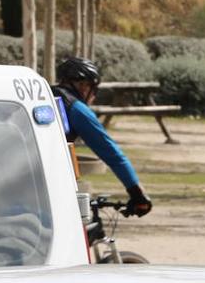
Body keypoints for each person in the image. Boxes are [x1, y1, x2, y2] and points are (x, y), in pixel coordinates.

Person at [53, 56, 153, 218]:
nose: (94, 95)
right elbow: (112, 154)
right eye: (93, 89)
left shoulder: (44, 97)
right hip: (51, 186)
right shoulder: (76, 109)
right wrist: (137, 193)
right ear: (83, 85)